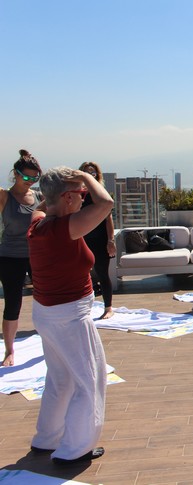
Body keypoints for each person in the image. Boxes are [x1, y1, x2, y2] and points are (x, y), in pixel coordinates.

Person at [27, 166, 114, 464]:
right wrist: (85, 177)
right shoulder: (63, 230)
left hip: (46, 313)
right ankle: (74, 449)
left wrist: (62, 189)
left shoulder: (38, 222)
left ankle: (47, 439)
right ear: (67, 198)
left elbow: (44, 205)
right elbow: (106, 204)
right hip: (69, 316)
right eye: (79, 196)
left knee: (60, 379)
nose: (83, 200)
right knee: (90, 381)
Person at [0, 149, 42, 366]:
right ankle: (9, 350)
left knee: (46, 299)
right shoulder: (4, 196)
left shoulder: (38, 197)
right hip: (10, 256)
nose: (30, 181)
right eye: (26, 177)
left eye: (35, 178)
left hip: (37, 255)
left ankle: (50, 339)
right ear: (15, 174)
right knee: (13, 303)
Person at [78, 162, 116, 319]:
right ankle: (82, 307)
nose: (90, 176)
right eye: (86, 173)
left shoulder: (101, 194)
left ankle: (108, 308)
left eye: (93, 173)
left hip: (100, 239)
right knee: (80, 275)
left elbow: (108, 219)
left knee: (102, 274)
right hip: (82, 239)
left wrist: (111, 240)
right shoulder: (77, 194)